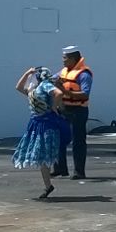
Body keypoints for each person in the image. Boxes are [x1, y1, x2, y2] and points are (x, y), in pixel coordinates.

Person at [12, 67, 71, 198]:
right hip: (37, 123)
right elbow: (19, 87)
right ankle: (48, 185)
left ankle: (49, 184)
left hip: (46, 123)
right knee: (41, 156)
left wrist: (53, 107)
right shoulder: (34, 89)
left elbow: (58, 93)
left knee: (43, 154)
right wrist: (27, 73)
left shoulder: (44, 85)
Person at [56, 45, 93, 179]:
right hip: (63, 110)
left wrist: (65, 91)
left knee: (78, 142)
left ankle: (79, 172)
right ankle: (60, 169)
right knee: (58, 139)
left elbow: (85, 94)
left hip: (78, 112)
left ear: (72, 59)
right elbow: (52, 80)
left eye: (65, 58)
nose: (63, 60)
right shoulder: (63, 72)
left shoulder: (84, 74)